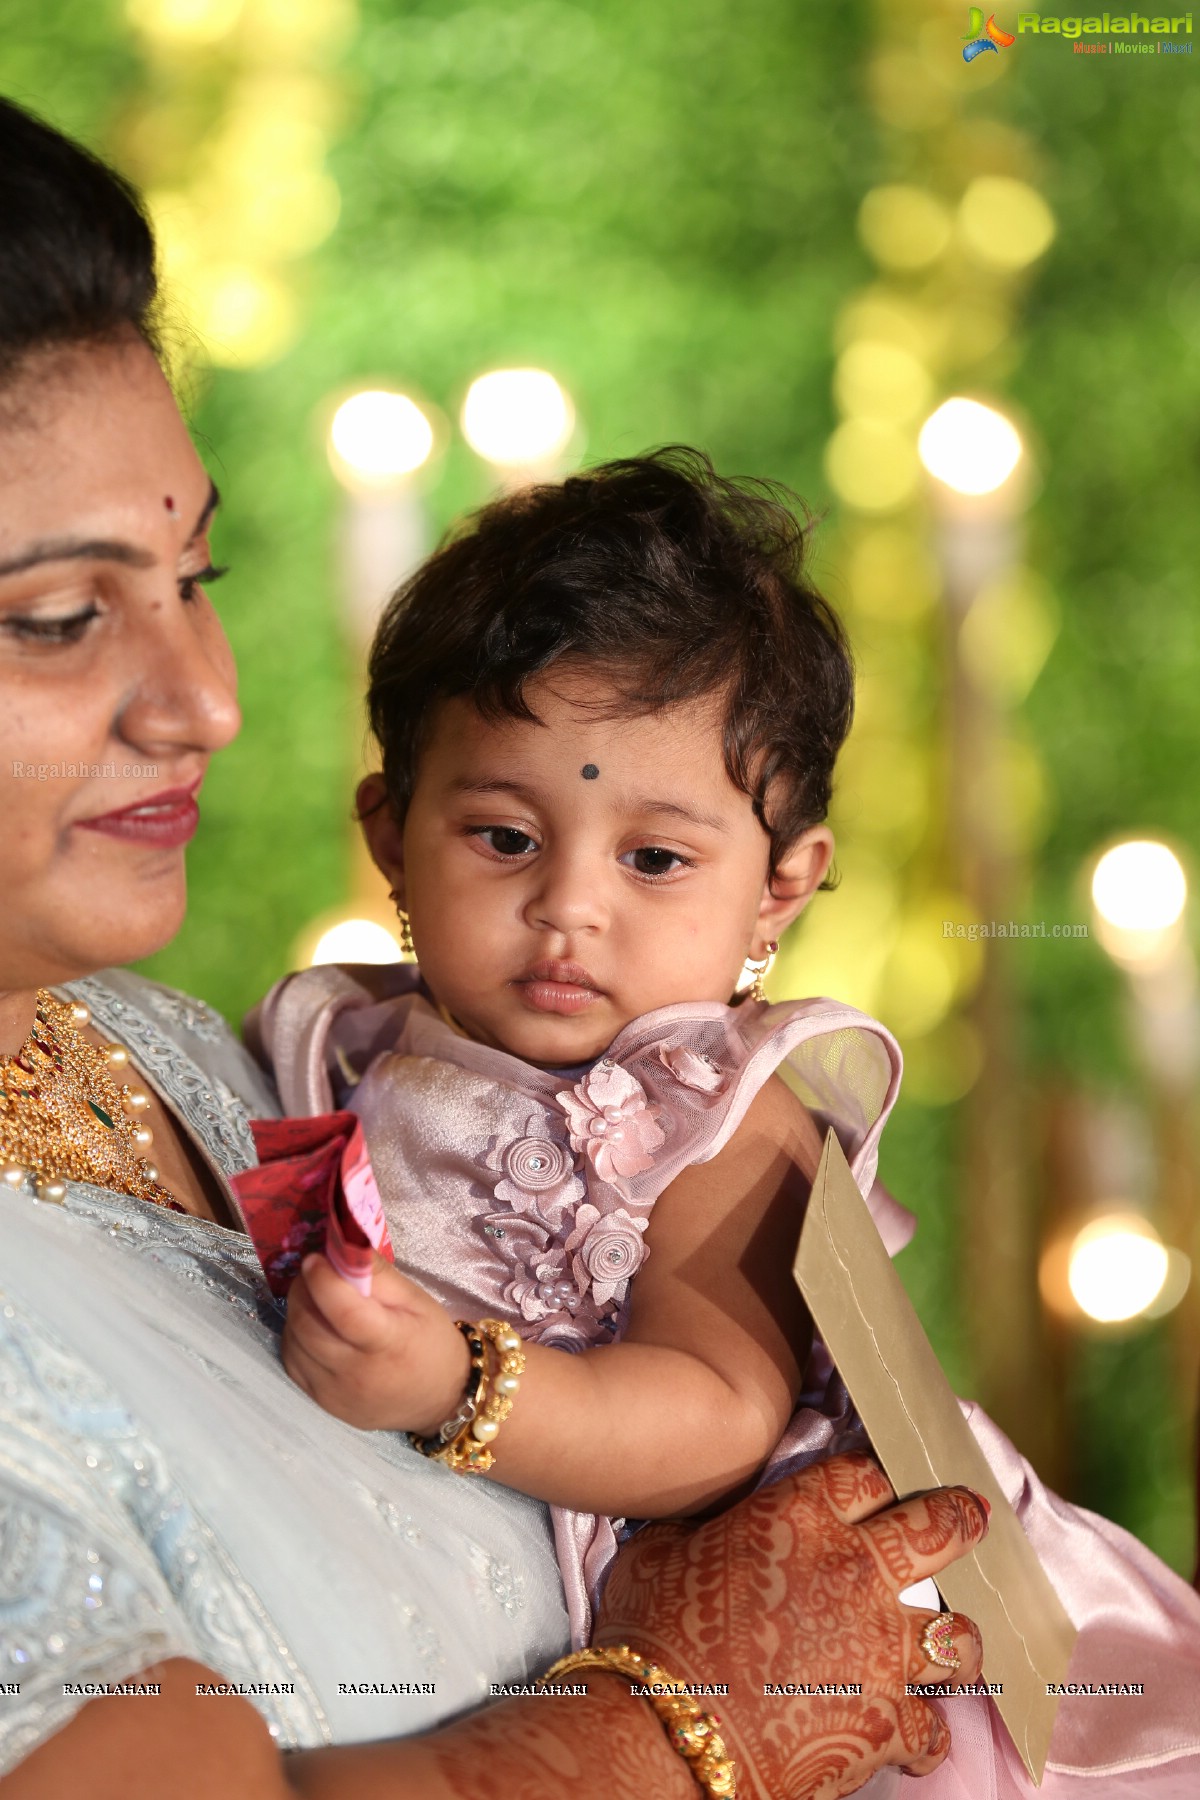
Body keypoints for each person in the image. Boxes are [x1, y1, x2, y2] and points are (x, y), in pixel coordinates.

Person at [0, 92, 996, 1799]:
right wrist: (668, 1729)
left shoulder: (151, 1039)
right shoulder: (340, 1042)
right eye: (61, 614)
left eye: (196, 571)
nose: (212, 702)